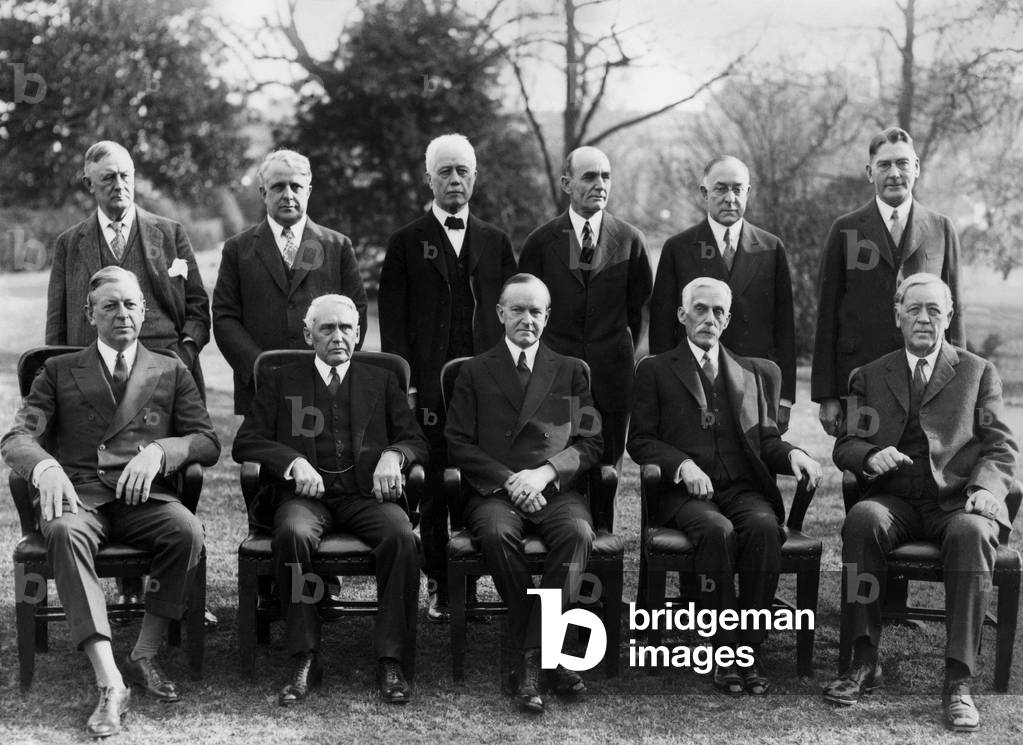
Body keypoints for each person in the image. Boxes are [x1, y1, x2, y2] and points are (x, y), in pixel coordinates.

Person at [2, 267, 220, 738]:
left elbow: (206, 440)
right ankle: (110, 680)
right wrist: (46, 467)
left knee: (187, 531)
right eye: (110, 306)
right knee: (61, 529)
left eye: (130, 305)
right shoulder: (58, 371)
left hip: (144, 497)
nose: (122, 314)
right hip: (80, 494)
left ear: (144, 310)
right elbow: (19, 436)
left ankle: (144, 654)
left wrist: (164, 451)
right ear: (89, 314)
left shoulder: (170, 367)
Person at [823, 274, 1018, 732]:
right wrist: (870, 454)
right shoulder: (870, 376)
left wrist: (987, 489)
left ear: (949, 316)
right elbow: (845, 443)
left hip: (956, 504)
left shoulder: (977, 372)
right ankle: (864, 660)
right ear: (897, 316)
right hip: (896, 499)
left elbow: (1001, 446)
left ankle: (958, 680)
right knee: (862, 519)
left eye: (934, 310)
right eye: (914, 309)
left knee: (973, 532)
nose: (924, 319)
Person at [627, 277, 822, 696]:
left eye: (718, 312)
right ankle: (724, 651)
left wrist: (793, 455)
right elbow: (639, 440)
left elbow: (765, 439)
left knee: (764, 528)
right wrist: (681, 464)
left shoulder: (751, 372)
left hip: (742, 489)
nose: (709, 318)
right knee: (717, 532)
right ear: (682, 315)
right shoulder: (656, 369)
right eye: (700, 309)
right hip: (687, 495)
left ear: (728, 319)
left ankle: (747, 649)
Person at [232, 294, 427, 706]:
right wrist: (292, 461)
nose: (337, 337)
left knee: (402, 538)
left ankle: (391, 658)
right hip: (306, 498)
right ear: (308, 334)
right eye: (327, 328)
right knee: (293, 534)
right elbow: (247, 441)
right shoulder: (281, 378)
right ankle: (305, 655)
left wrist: (395, 454)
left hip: (366, 496)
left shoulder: (382, 380)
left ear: (358, 333)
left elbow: (415, 440)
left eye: (345, 328)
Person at [445, 274, 604, 714]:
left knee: (578, 533)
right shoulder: (474, 371)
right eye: (518, 310)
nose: (527, 320)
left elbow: (591, 443)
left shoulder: (570, 371)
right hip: (494, 491)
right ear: (500, 313)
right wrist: (511, 480)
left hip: (553, 489)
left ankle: (531, 657)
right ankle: (547, 655)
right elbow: (458, 442)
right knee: (496, 535)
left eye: (536, 311)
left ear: (547, 317)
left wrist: (546, 473)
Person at [379, 133, 516, 622]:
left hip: (486, 390)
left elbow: (513, 319)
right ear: (428, 178)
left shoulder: (497, 242)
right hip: (431, 391)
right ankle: (440, 582)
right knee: (435, 487)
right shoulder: (406, 242)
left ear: (475, 178)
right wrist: (407, 388)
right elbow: (393, 327)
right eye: (445, 172)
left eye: (462, 171)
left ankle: (476, 581)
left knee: (481, 483)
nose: (454, 180)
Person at [812, 127, 964, 436]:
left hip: (925, 373)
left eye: (902, 163)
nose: (894, 173)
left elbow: (955, 312)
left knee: (923, 465)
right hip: (860, 376)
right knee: (859, 469)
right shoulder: (846, 229)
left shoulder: (941, 229)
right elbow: (826, 314)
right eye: (884, 165)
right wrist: (827, 394)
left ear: (917, 167)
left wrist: (958, 382)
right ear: (870, 172)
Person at [518, 146, 652, 467]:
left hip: (612, 381)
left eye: (606, 176)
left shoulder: (631, 241)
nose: (600, 184)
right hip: (554, 382)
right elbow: (526, 313)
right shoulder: (540, 242)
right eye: (590, 176)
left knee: (608, 474)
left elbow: (640, 310)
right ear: (567, 184)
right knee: (556, 471)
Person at [46, 140, 210, 394]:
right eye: (109, 178)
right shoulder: (68, 244)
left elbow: (197, 306)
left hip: (165, 369)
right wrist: (60, 379)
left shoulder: (170, 234)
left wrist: (185, 354)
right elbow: (56, 325)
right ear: (89, 184)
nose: (119, 185)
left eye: (125, 176)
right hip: (92, 374)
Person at [213, 149, 368, 416]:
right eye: (278, 187)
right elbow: (225, 317)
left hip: (323, 386)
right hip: (260, 389)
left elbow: (358, 312)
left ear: (308, 190)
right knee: (260, 456)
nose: (288, 195)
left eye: (296, 186)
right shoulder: (238, 249)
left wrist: (331, 363)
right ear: (263, 193)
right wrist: (259, 367)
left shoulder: (337, 246)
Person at [648, 156, 796, 431]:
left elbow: (784, 326)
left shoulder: (770, 248)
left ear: (748, 193)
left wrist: (785, 397)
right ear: (704, 193)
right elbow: (662, 329)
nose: (730, 198)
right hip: (693, 386)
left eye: (738, 189)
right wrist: (662, 390)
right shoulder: (678, 248)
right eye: (720, 188)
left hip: (754, 387)